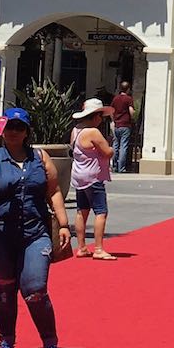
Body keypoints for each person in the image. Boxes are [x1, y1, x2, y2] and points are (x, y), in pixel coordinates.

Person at [0, 105, 72, 348]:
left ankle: (50, 343)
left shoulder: (39, 158)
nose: (14, 132)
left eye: (19, 127)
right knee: (4, 291)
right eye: (9, 127)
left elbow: (54, 191)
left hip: (34, 233)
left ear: (27, 131)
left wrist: (63, 224)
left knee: (35, 288)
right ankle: (7, 342)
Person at [70, 96, 116, 259]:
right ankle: (98, 248)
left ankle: (82, 247)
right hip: (93, 176)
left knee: (81, 211)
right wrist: (111, 147)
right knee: (100, 211)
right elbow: (107, 152)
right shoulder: (93, 132)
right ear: (95, 116)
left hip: (79, 175)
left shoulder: (76, 130)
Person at [111, 83, 136, 174]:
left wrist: (113, 120)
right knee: (123, 146)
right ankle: (121, 168)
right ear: (128, 89)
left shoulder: (115, 98)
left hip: (117, 125)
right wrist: (133, 117)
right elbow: (131, 111)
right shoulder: (129, 99)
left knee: (115, 145)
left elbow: (111, 111)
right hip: (125, 125)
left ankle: (114, 166)